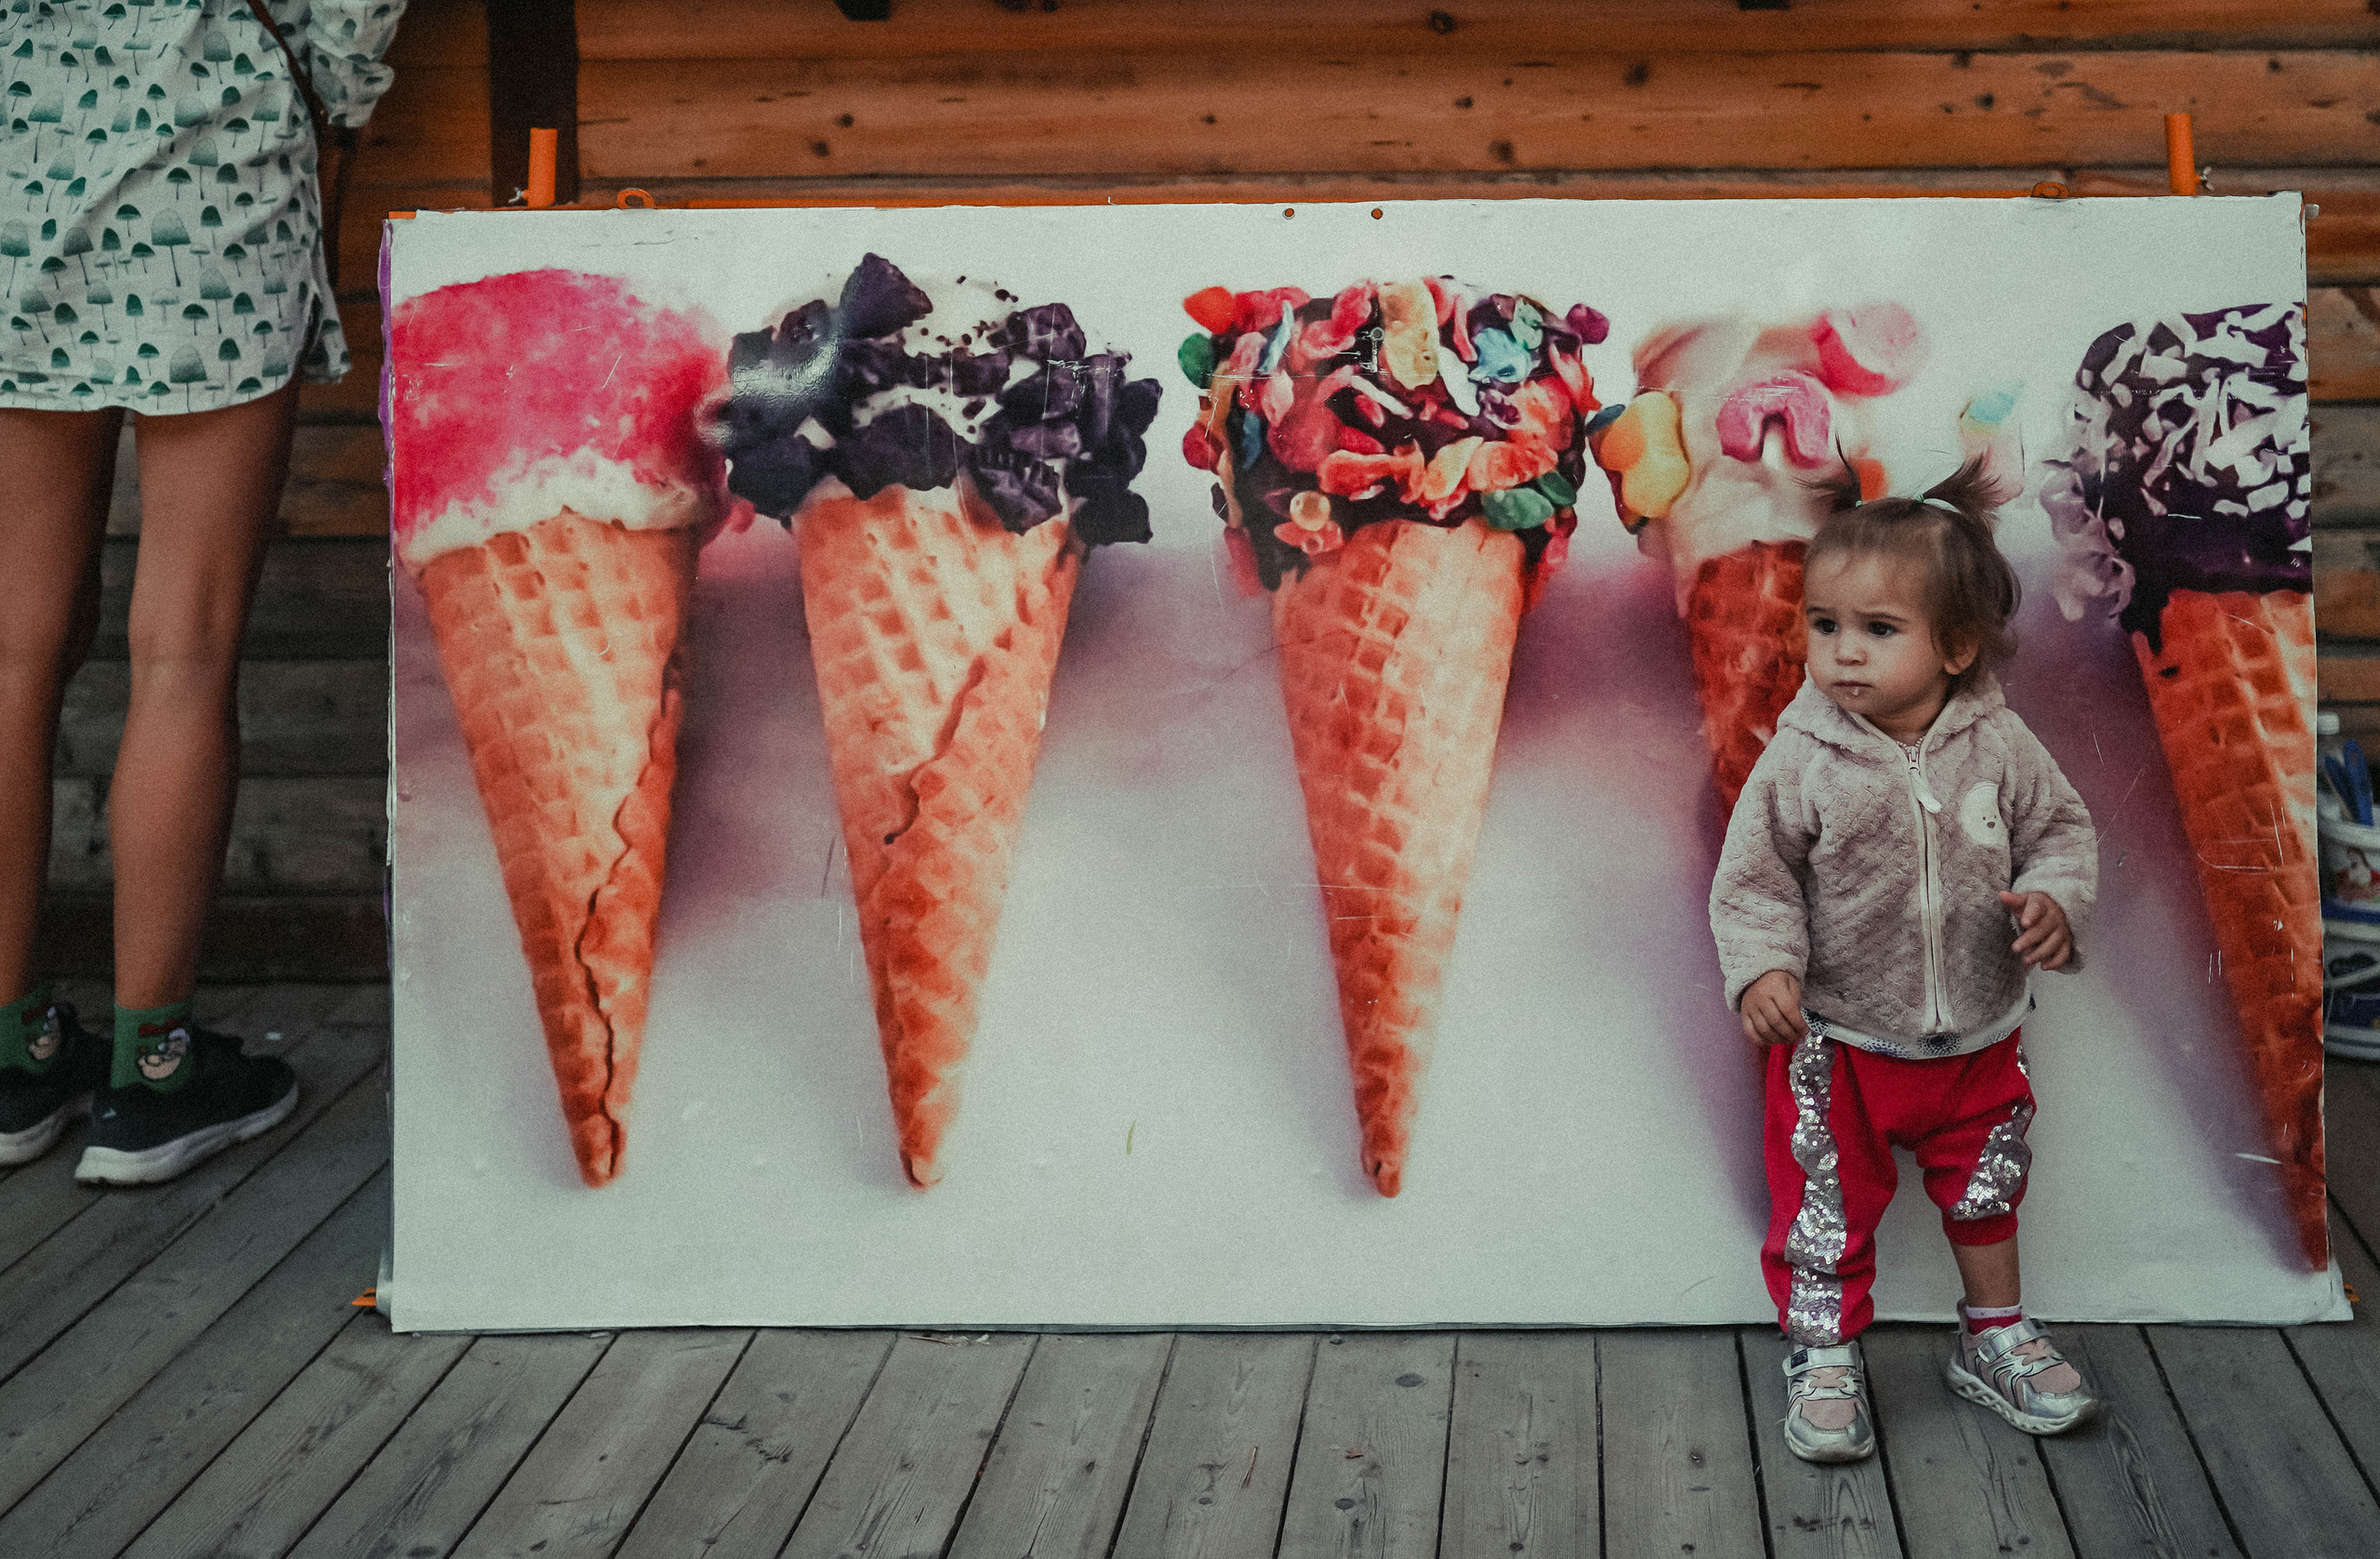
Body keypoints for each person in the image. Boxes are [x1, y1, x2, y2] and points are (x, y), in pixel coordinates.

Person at [0, 2, 404, 1183]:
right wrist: (332, 88)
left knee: (12, 647)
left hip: (15, 161)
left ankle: (16, 1058)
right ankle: (155, 1075)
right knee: (183, 645)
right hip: (208, 158)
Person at [1710, 458, 2101, 1463]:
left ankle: (1993, 1334)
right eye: (1823, 624)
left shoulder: (2001, 746)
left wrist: (2055, 900)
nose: (1841, 654)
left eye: (1878, 631)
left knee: (1987, 1191)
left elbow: (2060, 831)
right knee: (1823, 1210)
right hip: (1838, 1045)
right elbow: (1753, 880)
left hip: (1978, 1035)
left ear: (1956, 646)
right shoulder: (1801, 756)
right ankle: (1824, 1349)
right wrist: (1762, 969)